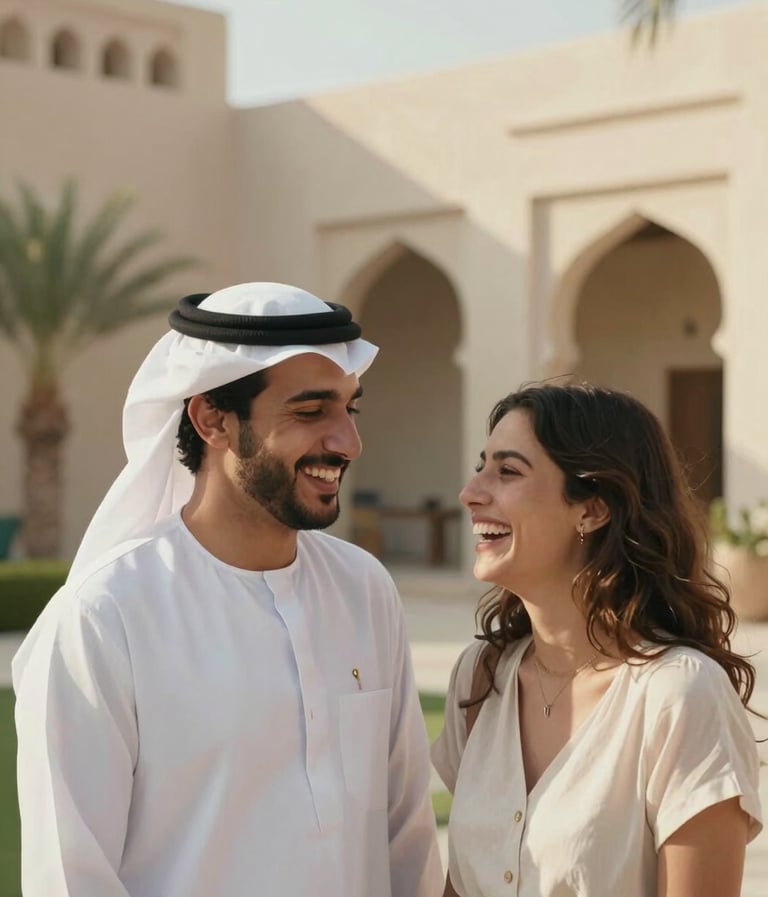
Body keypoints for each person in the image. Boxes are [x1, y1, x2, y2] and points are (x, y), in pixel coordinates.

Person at [13, 282, 442, 897]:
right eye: (310, 411)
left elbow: (406, 834)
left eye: (351, 409)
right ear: (212, 419)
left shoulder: (363, 588)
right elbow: (70, 875)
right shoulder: (106, 615)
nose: (348, 442)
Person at [432, 382, 762, 897]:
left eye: (508, 471)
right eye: (482, 465)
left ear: (592, 509)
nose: (471, 492)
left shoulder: (680, 697)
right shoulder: (481, 678)